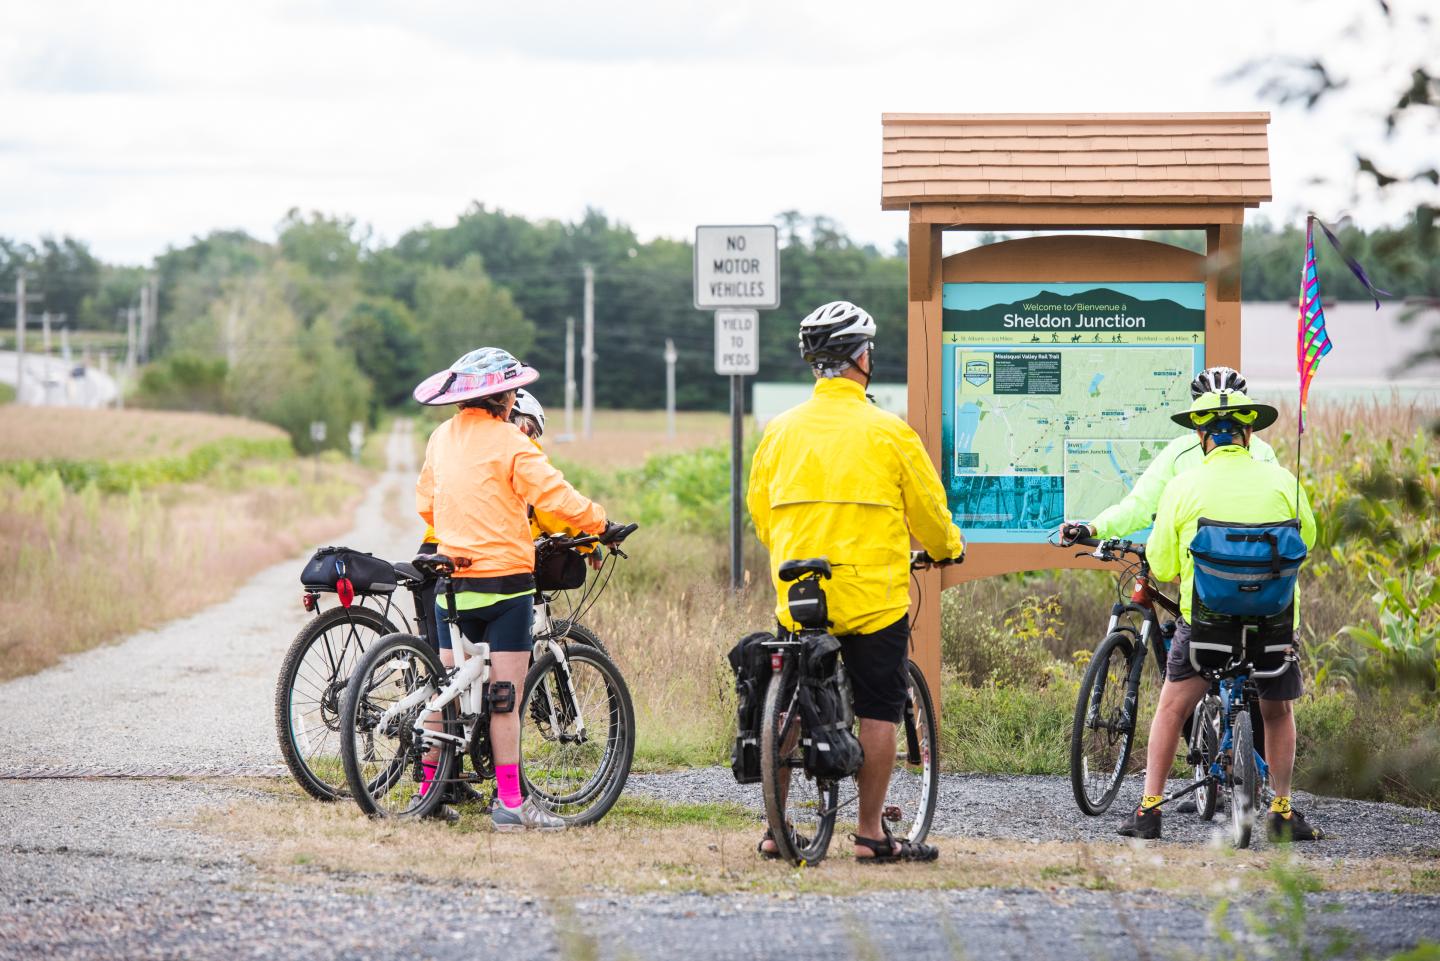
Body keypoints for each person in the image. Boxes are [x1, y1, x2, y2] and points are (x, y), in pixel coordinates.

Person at [747, 300, 966, 863]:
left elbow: (761, 511)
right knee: (878, 709)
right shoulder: (889, 433)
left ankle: (778, 826)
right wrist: (947, 550)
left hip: (801, 596)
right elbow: (930, 516)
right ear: (861, 358)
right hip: (873, 599)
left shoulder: (779, 432)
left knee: (791, 702)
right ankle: (871, 832)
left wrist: (791, 552)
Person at [414, 348, 614, 831]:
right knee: (505, 698)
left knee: (446, 692)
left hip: (451, 583)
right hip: (504, 586)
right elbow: (554, 496)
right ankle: (509, 802)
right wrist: (601, 523)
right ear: (505, 398)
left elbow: (426, 504)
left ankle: (426, 793)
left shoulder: (440, 437)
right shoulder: (512, 441)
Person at [1060, 366, 1277, 804]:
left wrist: (1093, 529)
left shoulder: (1182, 457)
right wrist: (1098, 523)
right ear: (1247, 425)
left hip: (1200, 583)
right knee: (1261, 683)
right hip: (1262, 590)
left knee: (1181, 675)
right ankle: (1273, 794)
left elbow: (1144, 509)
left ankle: (1156, 801)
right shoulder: (1265, 455)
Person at [1116, 389, 1323, 842]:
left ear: (1202, 436)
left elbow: (1166, 567)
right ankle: (1282, 811)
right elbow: (1307, 542)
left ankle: (1149, 811)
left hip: (1206, 627)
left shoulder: (1184, 486)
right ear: (1249, 435)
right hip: (1273, 624)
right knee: (1278, 710)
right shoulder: (1284, 480)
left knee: (1172, 708)